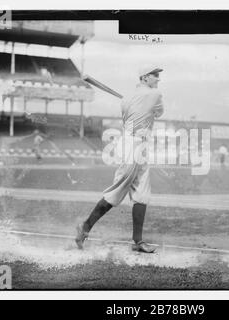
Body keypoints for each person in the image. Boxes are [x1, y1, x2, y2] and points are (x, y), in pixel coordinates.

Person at [75, 65, 164, 253]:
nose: (158, 79)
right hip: (134, 146)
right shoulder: (155, 95)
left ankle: (138, 241)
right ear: (145, 77)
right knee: (117, 191)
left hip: (136, 144)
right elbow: (159, 112)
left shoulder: (126, 100)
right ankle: (85, 227)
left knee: (142, 193)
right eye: (155, 75)